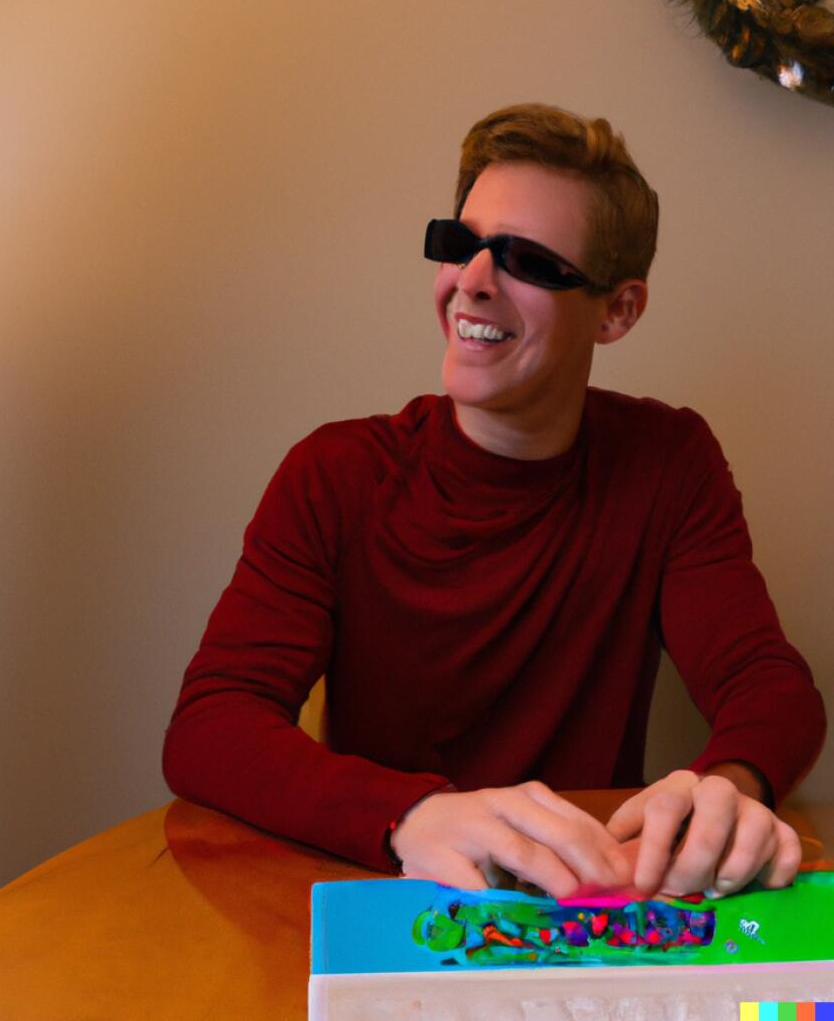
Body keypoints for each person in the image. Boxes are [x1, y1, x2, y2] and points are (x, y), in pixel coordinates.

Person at [163, 103, 825, 904]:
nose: (471, 281)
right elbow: (212, 727)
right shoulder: (333, 474)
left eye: (528, 262)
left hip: (593, 910)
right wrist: (413, 814)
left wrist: (729, 785)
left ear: (616, 311)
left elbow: (767, 684)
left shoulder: (669, 462)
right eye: (460, 245)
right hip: (388, 895)